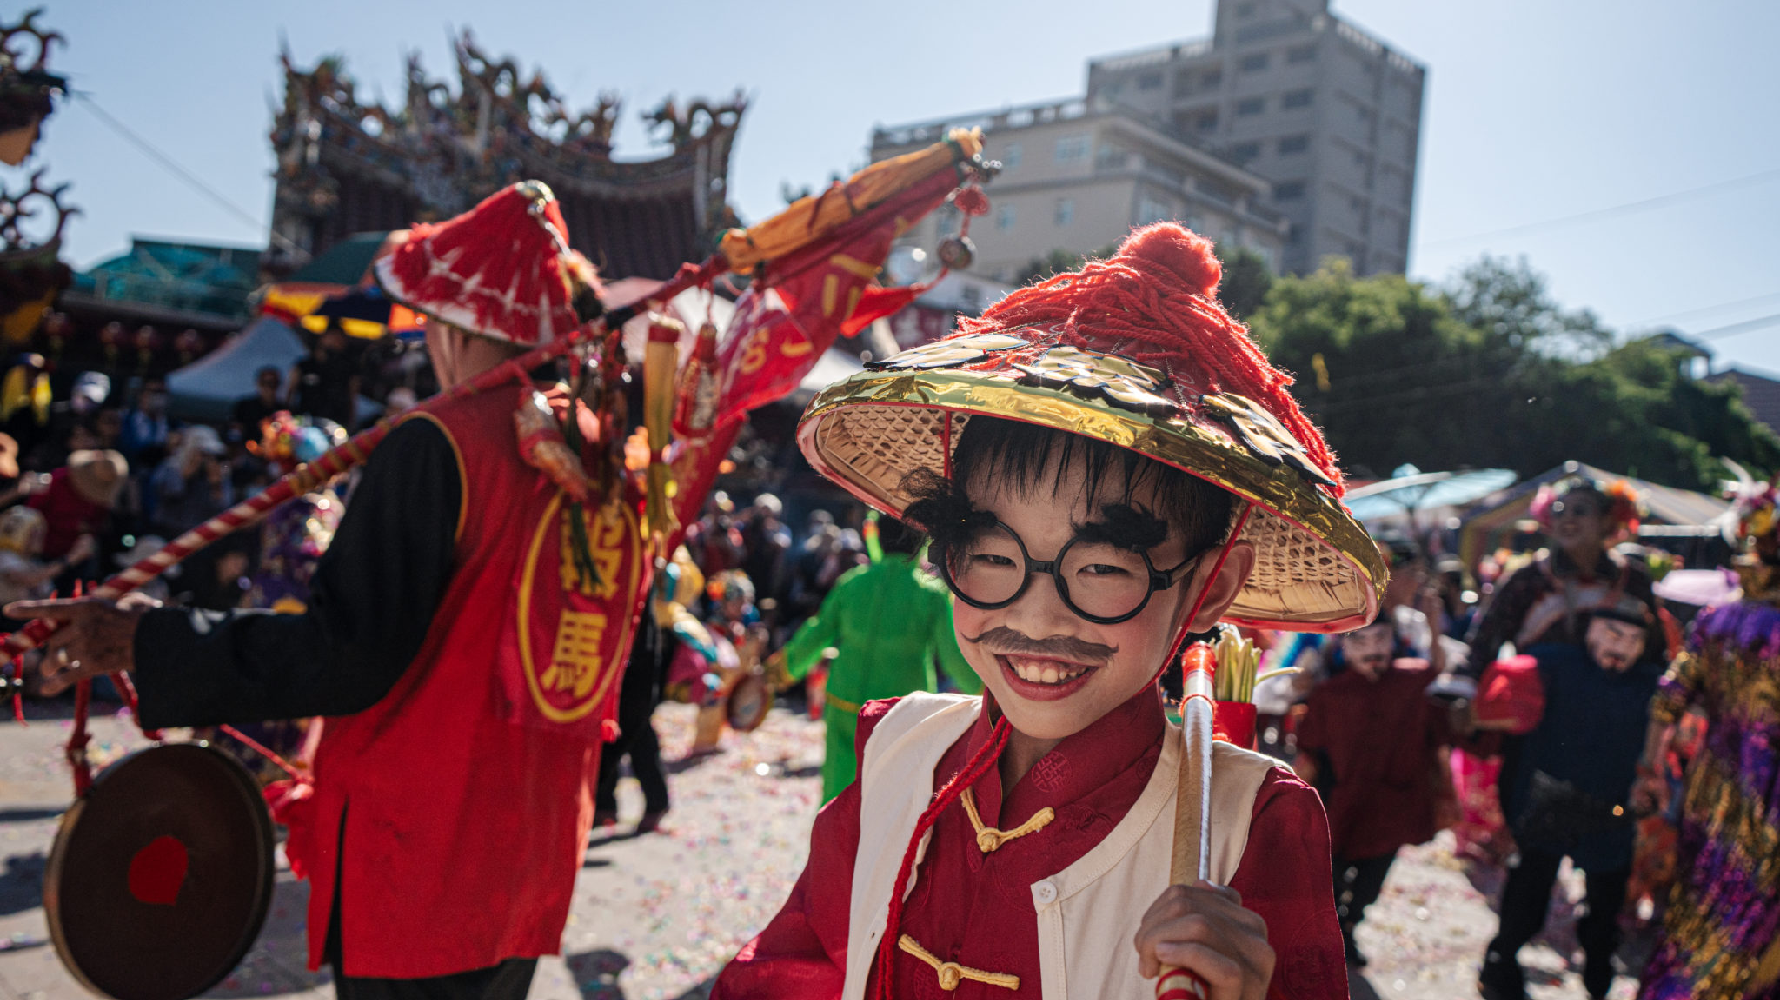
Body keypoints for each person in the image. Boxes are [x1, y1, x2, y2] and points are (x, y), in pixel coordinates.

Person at [711, 223, 1387, 999]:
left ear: (1210, 583)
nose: (1034, 619)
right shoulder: (898, 749)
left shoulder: (1246, 826)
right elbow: (798, 966)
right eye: (992, 556)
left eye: (1102, 567)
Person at [15, 183, 623, 998]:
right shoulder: (597, 456)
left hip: (422, 856)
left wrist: (146, 635)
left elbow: (349, 654)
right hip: (526, 851)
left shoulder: (440, 442)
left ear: (443, 319)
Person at [1478, 596, 1664, 1000]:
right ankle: (1499, 969)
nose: (1622, 646)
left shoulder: (1653, 683)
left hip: (1613, 810)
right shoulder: (1550, 663)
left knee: (1604, 913)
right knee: (1526, 897)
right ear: (1590, 631)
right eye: (1613, 633)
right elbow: (1494, 688)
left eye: (1634, 639)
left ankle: (1598, 984)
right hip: (1549, 800)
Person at [1636, 482, 1780, 999]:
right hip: (1771, 799)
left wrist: (1650, 770)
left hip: (1714, 789)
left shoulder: (1716, 621)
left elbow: (1666, 700)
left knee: (1703, 904)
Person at [768, 516, 981, 803]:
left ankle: (835, 849)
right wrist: (992, 694)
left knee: (838, 796)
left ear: (874, 537)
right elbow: (955, 660)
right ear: (921, 543)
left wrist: (780, 671)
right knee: (892, 803)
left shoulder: (852, 585)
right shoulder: (930, 595)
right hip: (902, 714)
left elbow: (816, 636)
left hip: (845, 706)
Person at [1294, 617, 1451, 968]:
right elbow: (1311, 752)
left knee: (1372, 879)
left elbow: (1438, 680)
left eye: (1380, 639)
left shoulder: (1413, 681)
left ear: (1395, 641)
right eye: (1359, 642)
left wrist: (1432, 617)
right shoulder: (1328, 694)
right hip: (1341, 802)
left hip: (1392, 803)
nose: (1372, 650)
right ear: (1342, 648)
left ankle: (1350, 929)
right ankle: (1329, 934)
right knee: (1330, 876)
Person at [290, 326, 360, 432]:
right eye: (334, 337)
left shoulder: (347, 369)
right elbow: (290, 392)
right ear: (323, 337)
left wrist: (351, 423)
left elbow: (353, 397)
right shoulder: (305, 366)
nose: (338, 341)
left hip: (336, 425)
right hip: (306, 424)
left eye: (340, 338)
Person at [231, 366, 285, 442]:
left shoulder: (284, 410)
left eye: (273, 384)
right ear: (258, 384)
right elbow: (234, 432)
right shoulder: (244, 407)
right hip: (248, 450)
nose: (269, 388)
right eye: (265, 383)